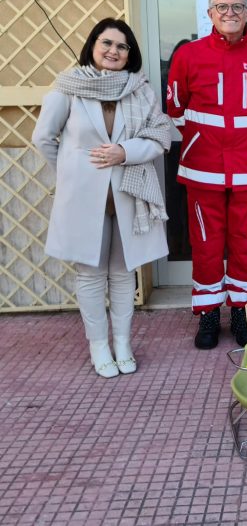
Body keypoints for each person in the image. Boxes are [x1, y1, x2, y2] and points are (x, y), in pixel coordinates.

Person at [33, 18, 171, 377]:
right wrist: (72, 172)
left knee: (124, 275)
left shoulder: (140, 90)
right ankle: (99, 346)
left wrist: (124, 152)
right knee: (91, 275)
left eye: (122, 46)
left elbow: (160, 137)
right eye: (106, 43)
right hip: (83, 200)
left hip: (129, 196)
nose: (113, 51)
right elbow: (44, 139)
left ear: (130, 54)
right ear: (93, 45)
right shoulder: (68, 88)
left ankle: (123, 343)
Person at [166, 0, 247, 349]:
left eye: (237, 7)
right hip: (202, 169)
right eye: (222, 7)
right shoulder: (188, 55)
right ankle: (207, 315)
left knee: (246, 244)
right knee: (205, 244)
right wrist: (205, 140)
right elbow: (175, 108)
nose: (230, 13)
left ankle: (241, 312)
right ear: (210, 13)